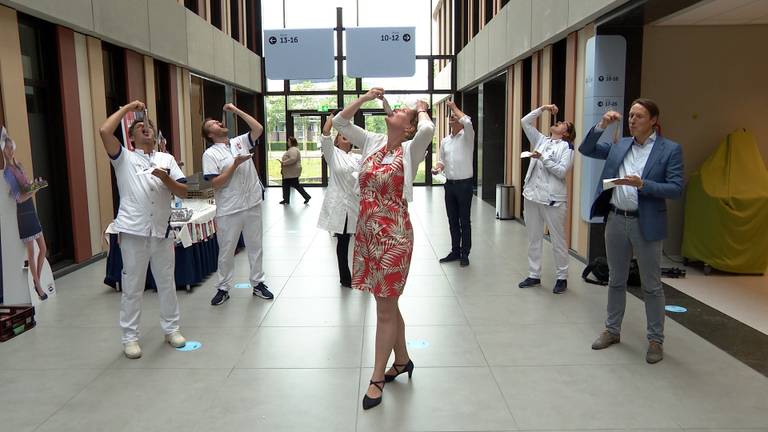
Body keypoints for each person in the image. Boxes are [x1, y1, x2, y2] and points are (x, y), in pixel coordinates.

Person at [334, 88, 435, 410]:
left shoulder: (411, 148)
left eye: (403, 111)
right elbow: (340, 121)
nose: (396, 110)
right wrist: (364, 98)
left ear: (408, 126)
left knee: (384, 307)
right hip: (367, 234)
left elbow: (429, 129)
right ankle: (402, 360)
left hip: (394, 236)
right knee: (386, 302)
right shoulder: (373, 142)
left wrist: (421, 109)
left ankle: (377, 377)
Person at [579, 98, 683, 364]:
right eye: (630, 116)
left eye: (638, 116)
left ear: (653, 121)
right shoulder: (619, 144)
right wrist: (601, 124)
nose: (632, 120)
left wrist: (643, 184)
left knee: (651, 285)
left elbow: (676, 187)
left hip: (646, 221)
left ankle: (655, 340)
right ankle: (612, 330)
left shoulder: (669, 149)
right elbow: (586, 148)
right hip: (615, 218)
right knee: (615, 279)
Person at [99, 101, 188, 359]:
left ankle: (172, 329)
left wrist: (166, 178)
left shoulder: (167, 159)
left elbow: (185, 190)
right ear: (132, 136)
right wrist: (128, 109)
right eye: (139, 127)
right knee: (133, 286)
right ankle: (130, 337)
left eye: (148, 125)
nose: (145, 128)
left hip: (161, 231)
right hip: (133, 231)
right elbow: (104, 131)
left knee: (166, 283)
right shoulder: (123, 158)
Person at [203, 103, 274, 306]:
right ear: (210, 135)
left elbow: (258, 128)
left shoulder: (239, 142)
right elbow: (215, 182)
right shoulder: (210, 155)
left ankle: (258, 283)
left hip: (251, 202)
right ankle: (223, 287)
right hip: (229, 207)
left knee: (255, 246)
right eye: (213, 124)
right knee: (227, 249)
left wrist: (236, 110)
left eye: (218, 121)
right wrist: (234, 164)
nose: (218, 122)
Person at [517, 104, 575, 294]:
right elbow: (524, 122)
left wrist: (542, 158)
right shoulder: (541, 140)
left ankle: (562, 277)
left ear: (566, 133)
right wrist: (543, 108)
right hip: (532, 196)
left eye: (562, 124)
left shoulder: (567, 147)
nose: (557, 122)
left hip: (553, 200)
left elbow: (561, 171)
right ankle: (534, 274)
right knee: (534, 237)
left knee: (558, 239)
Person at [1, 135, 48, 300]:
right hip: (23, 213)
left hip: (31, 210)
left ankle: (37, 282)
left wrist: (35, 184)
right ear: (3, 150)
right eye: (6, 148)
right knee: (31, 252)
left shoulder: (19, 166)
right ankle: (39, 286)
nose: (10, 150)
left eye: (11, 146)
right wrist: (36, 190)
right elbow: (19, 197)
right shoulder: (7, 173)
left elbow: (26, 188)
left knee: (43, 248)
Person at [317, 113, 361, 288]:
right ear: (337, 141)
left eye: (348, 137)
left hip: (356, 204)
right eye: (343, 136)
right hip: (341, 206)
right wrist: (332, 120)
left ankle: (363, 274)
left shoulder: (356, 157)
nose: (347, 138)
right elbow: (325, 134)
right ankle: (345, 278)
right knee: (343, 243)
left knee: (362, 242)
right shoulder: (332, 153)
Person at [432, 100, 475, 267]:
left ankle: (465, 253)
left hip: (465, 185)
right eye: (450, 117)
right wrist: (437, 167)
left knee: (464, 220)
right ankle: (455, 250)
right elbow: (442, 160)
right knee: (452, 219)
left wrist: (454, 108)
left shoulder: (468, 136)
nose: (451, 118)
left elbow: (468, 121)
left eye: (454, 117)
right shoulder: (445, 141)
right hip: (450, 185)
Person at [278, 137, 311, 205]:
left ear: (291, 142)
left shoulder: (293, 150)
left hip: (291, 172)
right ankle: (286, 199)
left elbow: (293, 158)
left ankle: (306, 196)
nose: (288, 142)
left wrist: (284, 162)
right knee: (288, 185)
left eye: (288, 141)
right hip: (290, 172)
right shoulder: (294, 149)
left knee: (291, 185)